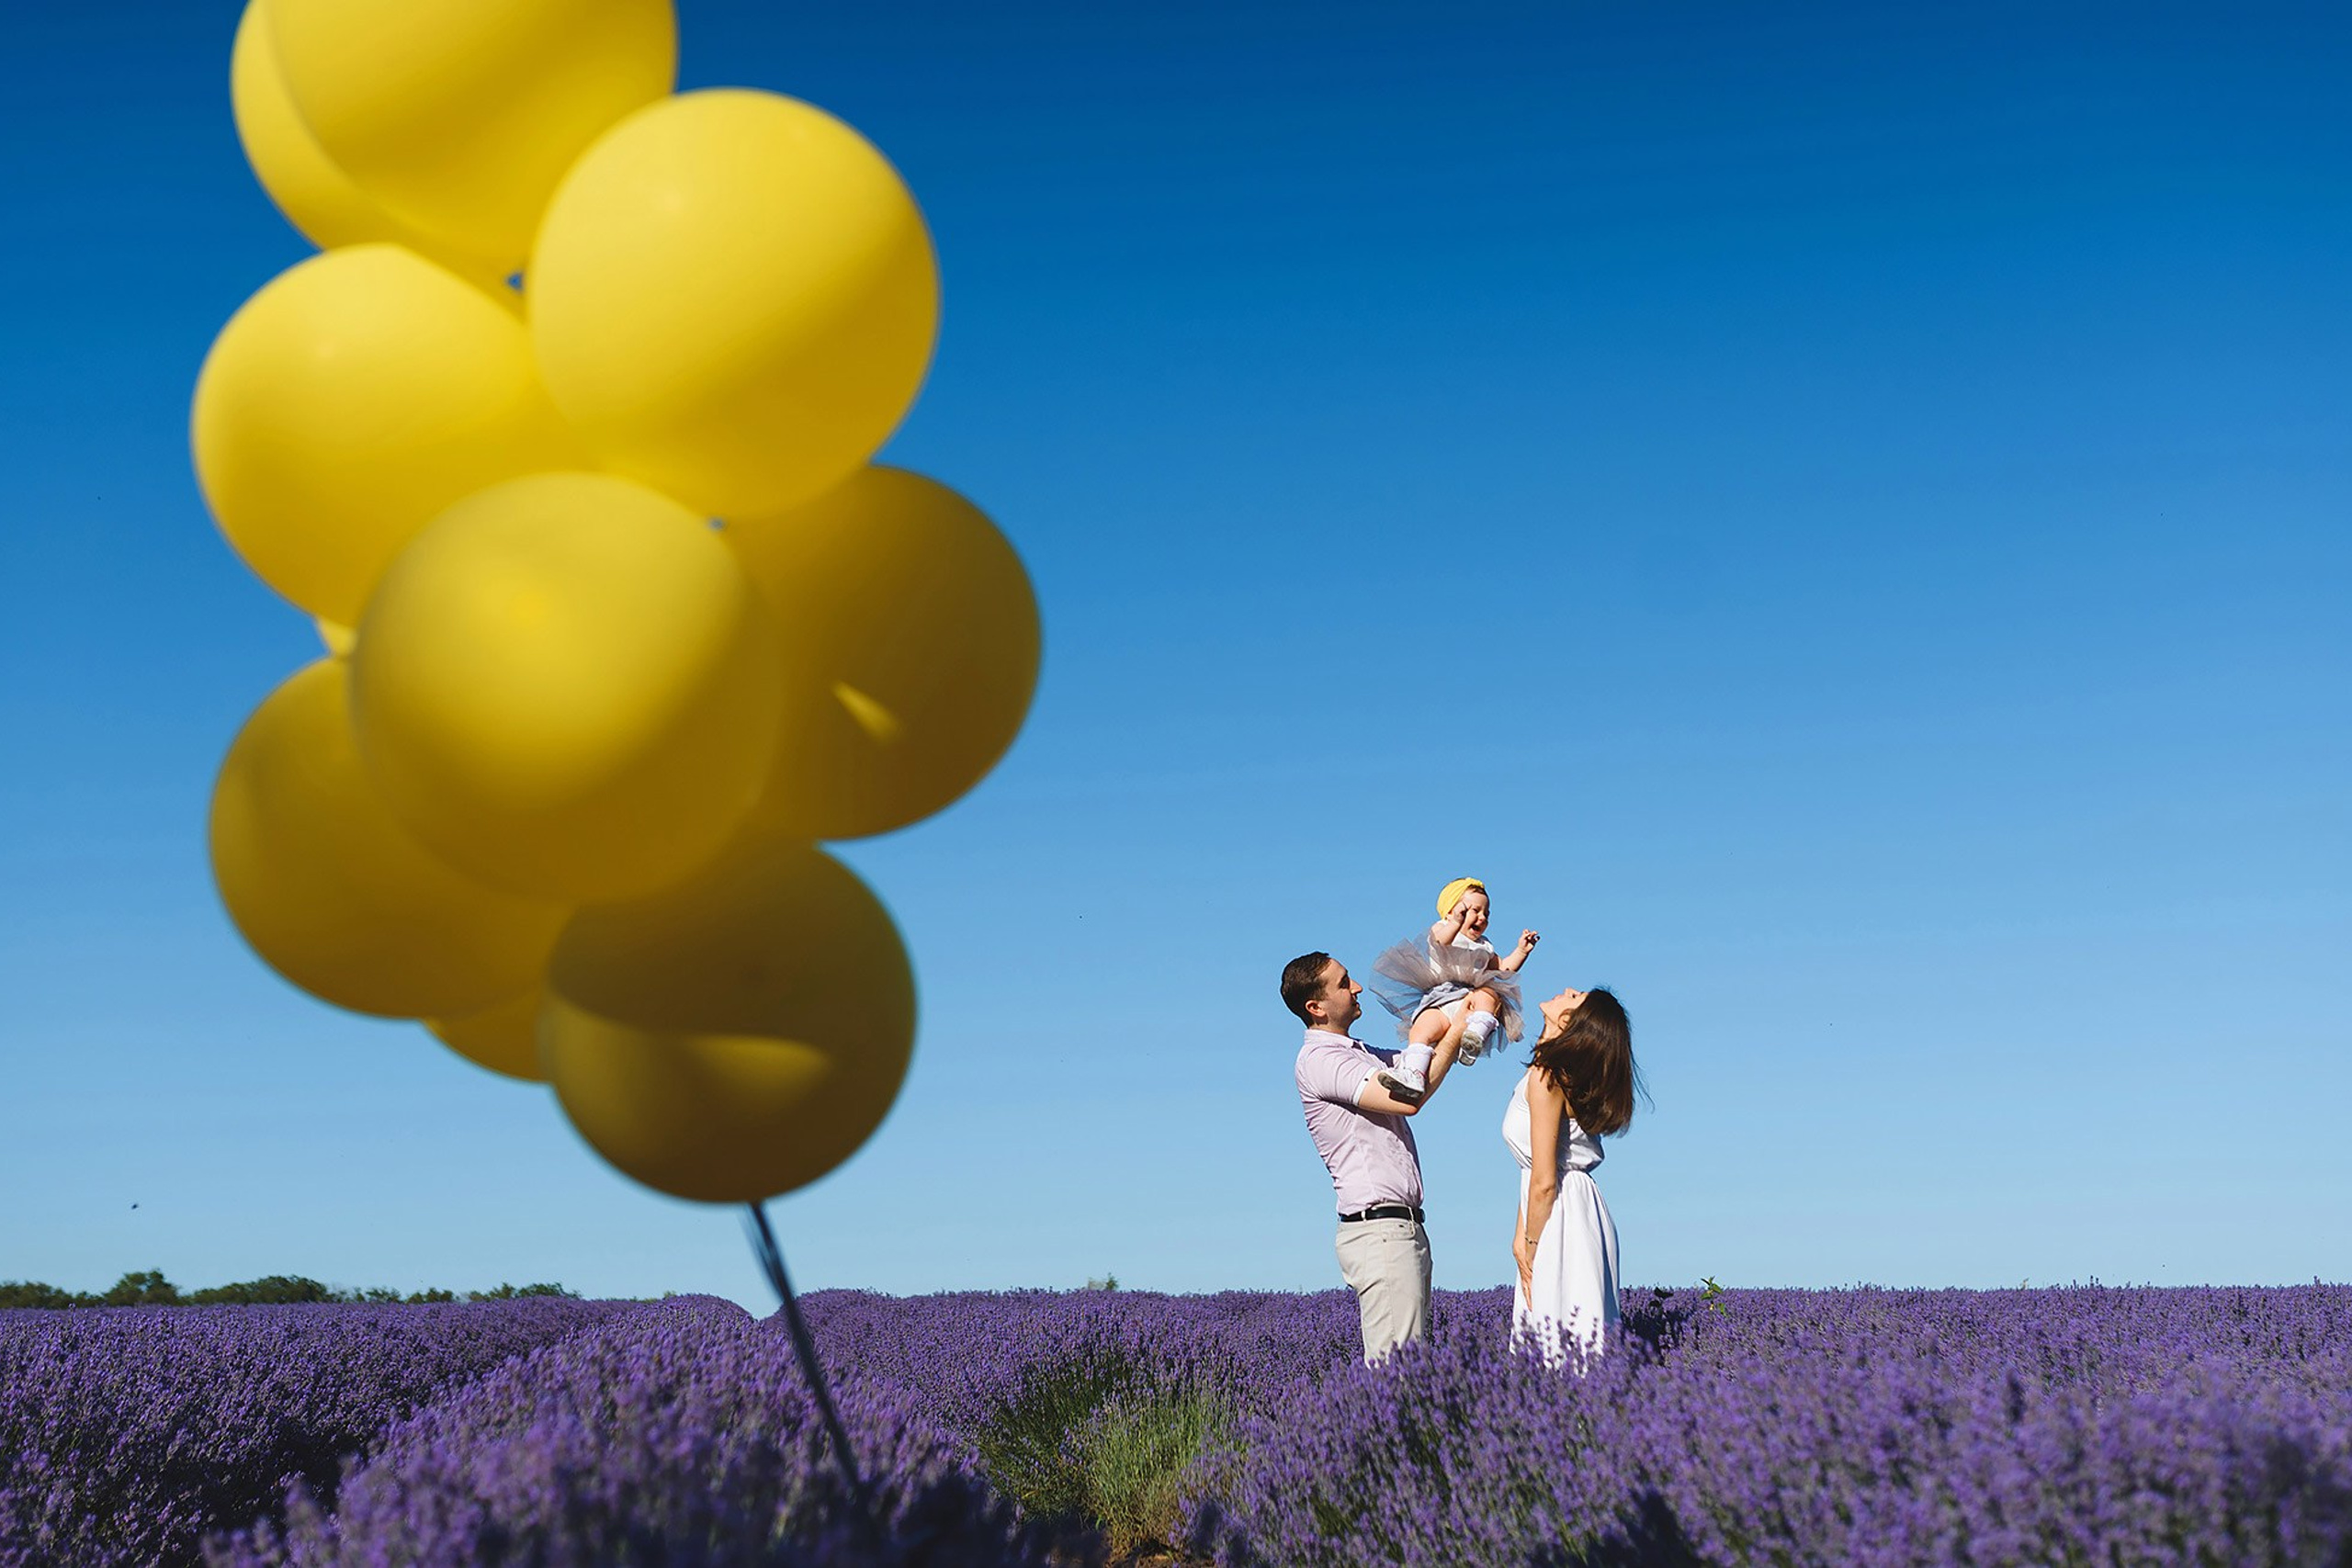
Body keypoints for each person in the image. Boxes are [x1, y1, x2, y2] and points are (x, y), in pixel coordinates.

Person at [1284, 949, 1472, 1362]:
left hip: (1399, 1229)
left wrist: (1457, 1009)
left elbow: (1419, 1067)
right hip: (1381, 1232)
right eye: (1343, 982)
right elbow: (1407, 1098)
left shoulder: (1359, 1052)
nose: (1357, 988)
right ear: (1315, 1007)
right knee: (1397, 1375)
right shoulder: (1320, 1060)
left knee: (1408, 1368)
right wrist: (1457, 1031)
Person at [1503, 983, 1638, 1367]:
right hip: (1565, 1209)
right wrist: (1520, 1236)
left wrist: (1530, 1249)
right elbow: (1533, 1167)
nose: (1568, 989)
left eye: (1576, 997)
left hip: (1561, 1214)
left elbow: (1545, 1178)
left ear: (1570, 1021)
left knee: (1563, 1346)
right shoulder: (1547, 1072)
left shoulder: (1548, 1076)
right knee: (1567, 1344)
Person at [1367, 876, 1539, 1101]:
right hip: (1440, 998)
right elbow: (1440, 942)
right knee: (1420, 1030)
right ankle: (1414, 1074)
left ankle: (1474, 1036)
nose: (1482, 917)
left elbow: (1503, 968)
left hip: (1470, 994)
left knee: (1490, 994)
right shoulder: (1443, 929)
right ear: (1451, 911)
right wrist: (1456, 923)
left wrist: (1522, 951)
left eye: (1486, 913)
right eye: (1474, 910)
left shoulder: (1484, 945)